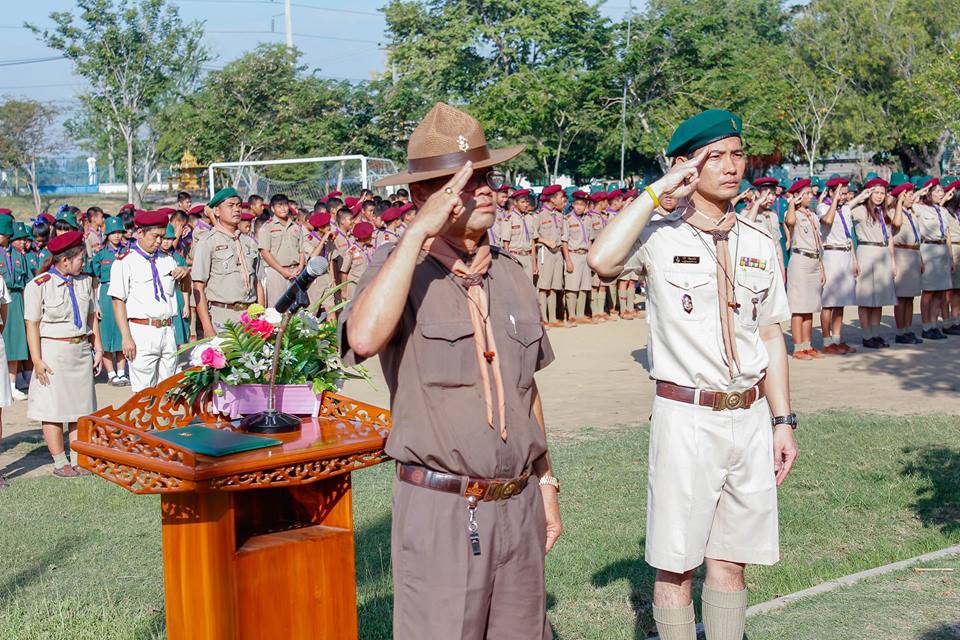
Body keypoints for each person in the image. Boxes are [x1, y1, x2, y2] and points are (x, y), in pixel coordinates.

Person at [342, 101, 560, 640]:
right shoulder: (397, 271)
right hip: (443, 508)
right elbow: (363, 338)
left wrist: (546, 480)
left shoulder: (510, 274)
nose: (483, 191)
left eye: (486, 178)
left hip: (517, 503)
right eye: (462, 183)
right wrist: (417, 234)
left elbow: (527, 389)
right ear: (423, 196)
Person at [589, 109, 797, 640]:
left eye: (737, 154)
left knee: (731, 560)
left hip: (749, 415)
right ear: (686, 165)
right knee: (676, 565)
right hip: (688, 415)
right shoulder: (658, 236)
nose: (731, 166)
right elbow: (602, 260)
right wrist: (657, 192)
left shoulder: (758, 240)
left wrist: (783, 420)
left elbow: (771, 335)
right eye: (714, 157)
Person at [25, 230, 101, 478]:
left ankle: (79, 459)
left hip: (81, 350)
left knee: (81, 409)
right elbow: (32, 324)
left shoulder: (85, 281)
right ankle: (60, 462)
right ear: (65, 260)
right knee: (53, 409)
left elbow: (92, 316)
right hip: (54, 352)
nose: (84, 263)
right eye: (80, 259)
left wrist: (98, 346)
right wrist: (37, 360)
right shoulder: (40, 285)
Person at [109, 211, 183, 392]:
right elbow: (118, 301)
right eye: (155, 236)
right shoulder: (125, 262)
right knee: (144, 390)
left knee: (169, 387)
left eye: (162, 236)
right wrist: (126, 337)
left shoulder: (168, 260)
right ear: (140, 233)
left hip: (167, 329)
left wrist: (185, 274)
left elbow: (183, 289)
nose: (159, 241)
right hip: (142, 331)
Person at [191, 187, 264, 336]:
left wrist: (261, 317)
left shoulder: (249, 242)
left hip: (250, 315)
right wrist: (207, 327)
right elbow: (198, 286)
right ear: (217, 211)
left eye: (238, 205)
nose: (236, 209)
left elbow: (258, 283)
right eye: (230, 205)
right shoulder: (208, 241)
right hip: (223, 316)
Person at [849, 177, 899, 348]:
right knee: (866, 298)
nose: (879, 196)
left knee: (879, 299)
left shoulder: (884, 212)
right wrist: (860, 197)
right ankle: (867, 335)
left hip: (883, 253)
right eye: (875, 192)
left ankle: (875, 334)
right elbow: (845, 211)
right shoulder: (860, 210)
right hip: (867, 251)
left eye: (882, 193)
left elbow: (890, 237)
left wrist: (893, 261)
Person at [815, 176, 859, 353]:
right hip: (831, 254)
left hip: (845, 254)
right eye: (840, 193)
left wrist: (854, 259)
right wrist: (834, 201)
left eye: (845, 193)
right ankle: (827, 342)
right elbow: (827, 221)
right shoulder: (822, 207)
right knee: (829, 302)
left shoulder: (846, 209)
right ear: (831, 192)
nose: (843, 196)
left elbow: (849, 237)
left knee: (841, 302)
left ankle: (837, 339)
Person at [784, 178, 826, 359]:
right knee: (798, 307)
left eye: (810, 193)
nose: (811, 196)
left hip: (814, 261)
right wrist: (792, 203)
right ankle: (798, 347)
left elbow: (818, 242)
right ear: (797, 196)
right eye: (806, 193)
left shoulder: (813, 215)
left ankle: (807, 345)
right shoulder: (793, 213)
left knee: (810, 306)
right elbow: (790, 221)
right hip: (800, 260)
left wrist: (822, 267)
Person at [90, 216, 130, 385]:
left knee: (122, 332)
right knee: (105, 335)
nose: (117, 236)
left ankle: (121, 371)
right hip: (105, 293)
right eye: (113, 233)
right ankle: (111, 373)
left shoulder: (128, 252)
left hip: (124, 293)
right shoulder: (100, 255)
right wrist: (96, 303)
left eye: (119, 232)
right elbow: (94, 280)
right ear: (107, 235)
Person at [911, 178, 952, 340]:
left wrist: (951, 258)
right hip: (929, 249)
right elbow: (911, 200)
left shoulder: (942, 211)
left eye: (942, 190)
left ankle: (934, 324)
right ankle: (926, 326)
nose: (941, 193)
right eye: (937, 191)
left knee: (940, 292)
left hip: (942, 250)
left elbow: (947, 234)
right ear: (928, 193)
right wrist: (920, 191)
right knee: (928, 292)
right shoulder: (920, 209)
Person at [0, 218, 32, 400]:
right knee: (3, 340)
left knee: (16, 341)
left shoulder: (19, 256)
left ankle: (12, 385)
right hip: (1, 298)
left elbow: (27, 282)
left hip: (17, 297)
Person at [890, 182, 924, 343]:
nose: (912, 198)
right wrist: (899, 203)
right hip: (901, 254)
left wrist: (921, 259)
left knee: (910, 297)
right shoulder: (893, 212)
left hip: (914, 254)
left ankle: (908, 329)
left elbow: (918, 238)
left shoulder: (911, 213)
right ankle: (900, 331)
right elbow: (896, 224)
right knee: (901, 297)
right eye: (908, 195)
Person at [258, 194, 306, 307]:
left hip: (295, 271)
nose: (283, 209)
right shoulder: (267, 227)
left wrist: (300, 266)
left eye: (285, 205)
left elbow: (301, 250)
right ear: (272, 208)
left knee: (296, 307)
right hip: (276, 272)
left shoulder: (296, 226)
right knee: (277, 307)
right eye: (279, 206)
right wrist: (282, 271)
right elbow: (264, 252)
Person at [535, 185, 568, 327]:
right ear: (552, 199)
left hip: (557, 253)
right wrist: (546, 241)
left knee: (555, 286)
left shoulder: (559, 216)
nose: (562, 199)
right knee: (544, 286)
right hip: (545, 252)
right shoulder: (539, 215)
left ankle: (553, 318)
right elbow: (534, 236)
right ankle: (544, 319)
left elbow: (563, 236)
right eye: (560, 197)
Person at [562, 191, 596, 324]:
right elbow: (564, 241)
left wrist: (590, 257)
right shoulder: (567, 219)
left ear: (586, 205)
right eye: (577, 204)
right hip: (573, 254)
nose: (579, 207)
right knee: (572, 286)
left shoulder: (588, 219)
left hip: (585, 254)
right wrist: (568, 260)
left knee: (584, 286)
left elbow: (590, 240)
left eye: (582, 205)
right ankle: (572, 314)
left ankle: (580, 315)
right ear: (573, 205)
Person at [160, 224, 192, 345]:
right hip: (163, 297)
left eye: (169, 239)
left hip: (178, 295)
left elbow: (184, 284)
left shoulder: (178, 258)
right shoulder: (155, 257)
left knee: (179, 331)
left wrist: (186, 305)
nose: (166, 242)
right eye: (164, 239)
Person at [503, 189, 538, 281]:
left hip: (528, 257)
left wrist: (534, 264)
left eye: (527, 202)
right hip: (515, 256)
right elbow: (506, 243)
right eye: (522, 202)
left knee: (528, 285)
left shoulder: (530, 218)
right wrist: (508, 261)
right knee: (516, 284)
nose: (525, 204)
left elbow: (532, 242)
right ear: (515, 203)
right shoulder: (509, 218)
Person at [339, 221, 376, 301]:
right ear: (363, 237)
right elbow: (344, 272)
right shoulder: (351, 252)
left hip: (367, 285)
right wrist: (344, 290)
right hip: (354, 287)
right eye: (369, 235)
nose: (371, 237)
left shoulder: (369, 249)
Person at [942, 180, 960, 334]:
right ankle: (947, 322)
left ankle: (956, 320)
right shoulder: (945, 212)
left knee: (958, 290)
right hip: (952, 248)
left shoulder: (957, 213)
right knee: (948, 290)